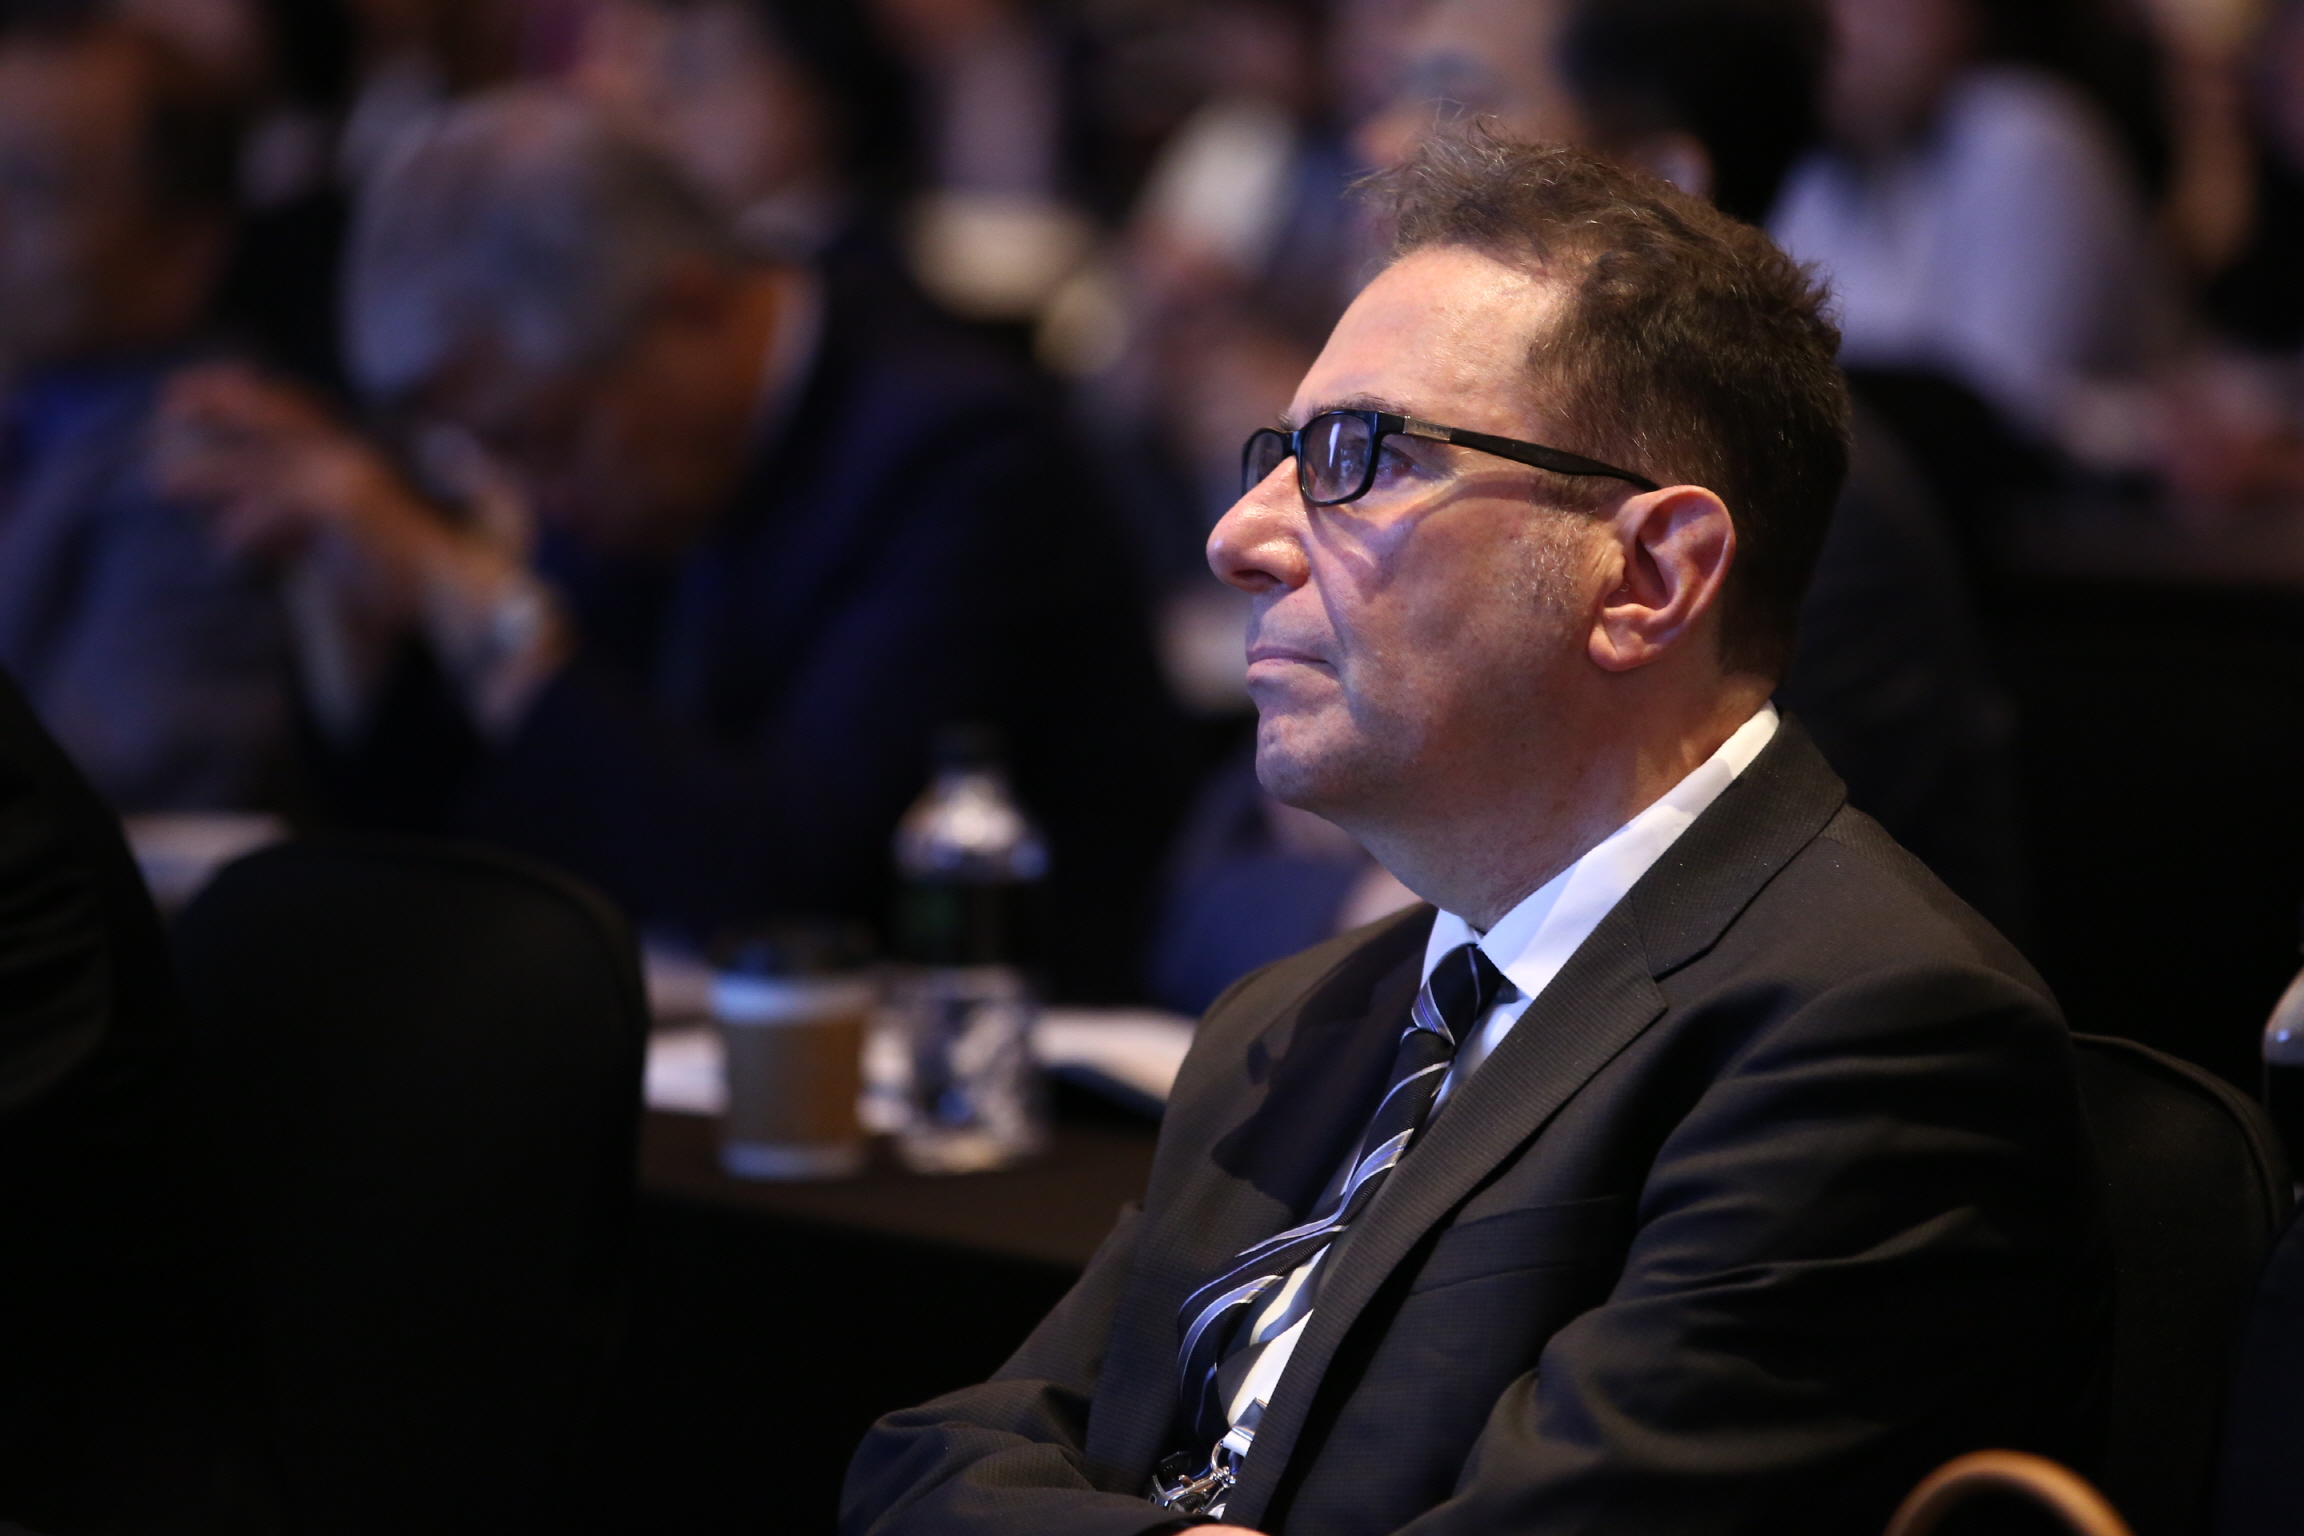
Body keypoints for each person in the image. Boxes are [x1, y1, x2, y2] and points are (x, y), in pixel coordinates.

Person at [844, 136, 2105, 1536]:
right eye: (1280, 455)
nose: (1240, 537)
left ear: (1649, 576)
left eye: (1361, 459)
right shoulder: (1299, 1017)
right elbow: (927, 1471)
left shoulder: (1870, 1036)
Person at [157, 87, 1183, 996]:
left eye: (544, 439)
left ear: (691, 305)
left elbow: (781, 879)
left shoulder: (958, 453)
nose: (533, 497)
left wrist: (461, 589)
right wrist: (341, 588)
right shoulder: (635, 446)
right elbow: (487, 845)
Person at [0, 10, 295, 813]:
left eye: (33, 187)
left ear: (189, 244)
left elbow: (110, 772)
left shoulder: (211, 460)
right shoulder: (31, 409)